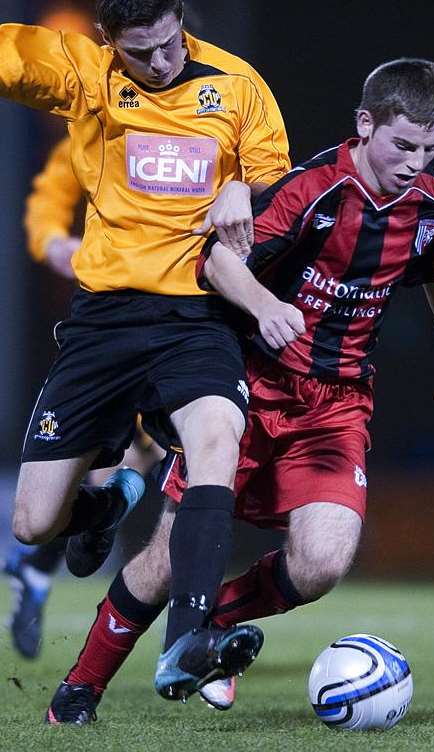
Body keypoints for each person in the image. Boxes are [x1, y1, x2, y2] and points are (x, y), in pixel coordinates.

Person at [46, 57, 434, 725]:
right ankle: (78, 690)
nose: (414, 162)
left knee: (320, 564)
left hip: (336, 408)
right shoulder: (308, 190)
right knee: (165, 559)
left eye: (429, 149)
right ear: (365, 126)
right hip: (250, 391)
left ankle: (205, 627)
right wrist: (263, 307)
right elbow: (215, 257)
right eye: (402, 145)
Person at [0, 0, 290, 708]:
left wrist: (238, 186)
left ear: (180, 22)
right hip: (105, 322)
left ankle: (191, 634)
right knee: (34, 523)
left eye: (166, 45)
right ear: (106, 41)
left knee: (216, 438)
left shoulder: (238, 84)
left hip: (196, 316)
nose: (158, 63)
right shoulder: (83, 73)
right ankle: (98, 512)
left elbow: (274, 175)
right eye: (140, 53)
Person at [3, 135, 165, 660]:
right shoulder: (96, 133)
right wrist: (55, 244)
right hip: (105, 327)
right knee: (107, 461)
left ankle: (41, 567)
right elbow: (49, 199)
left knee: (154, 449)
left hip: (181, 321)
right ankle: (43, 564)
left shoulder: (195, 128)